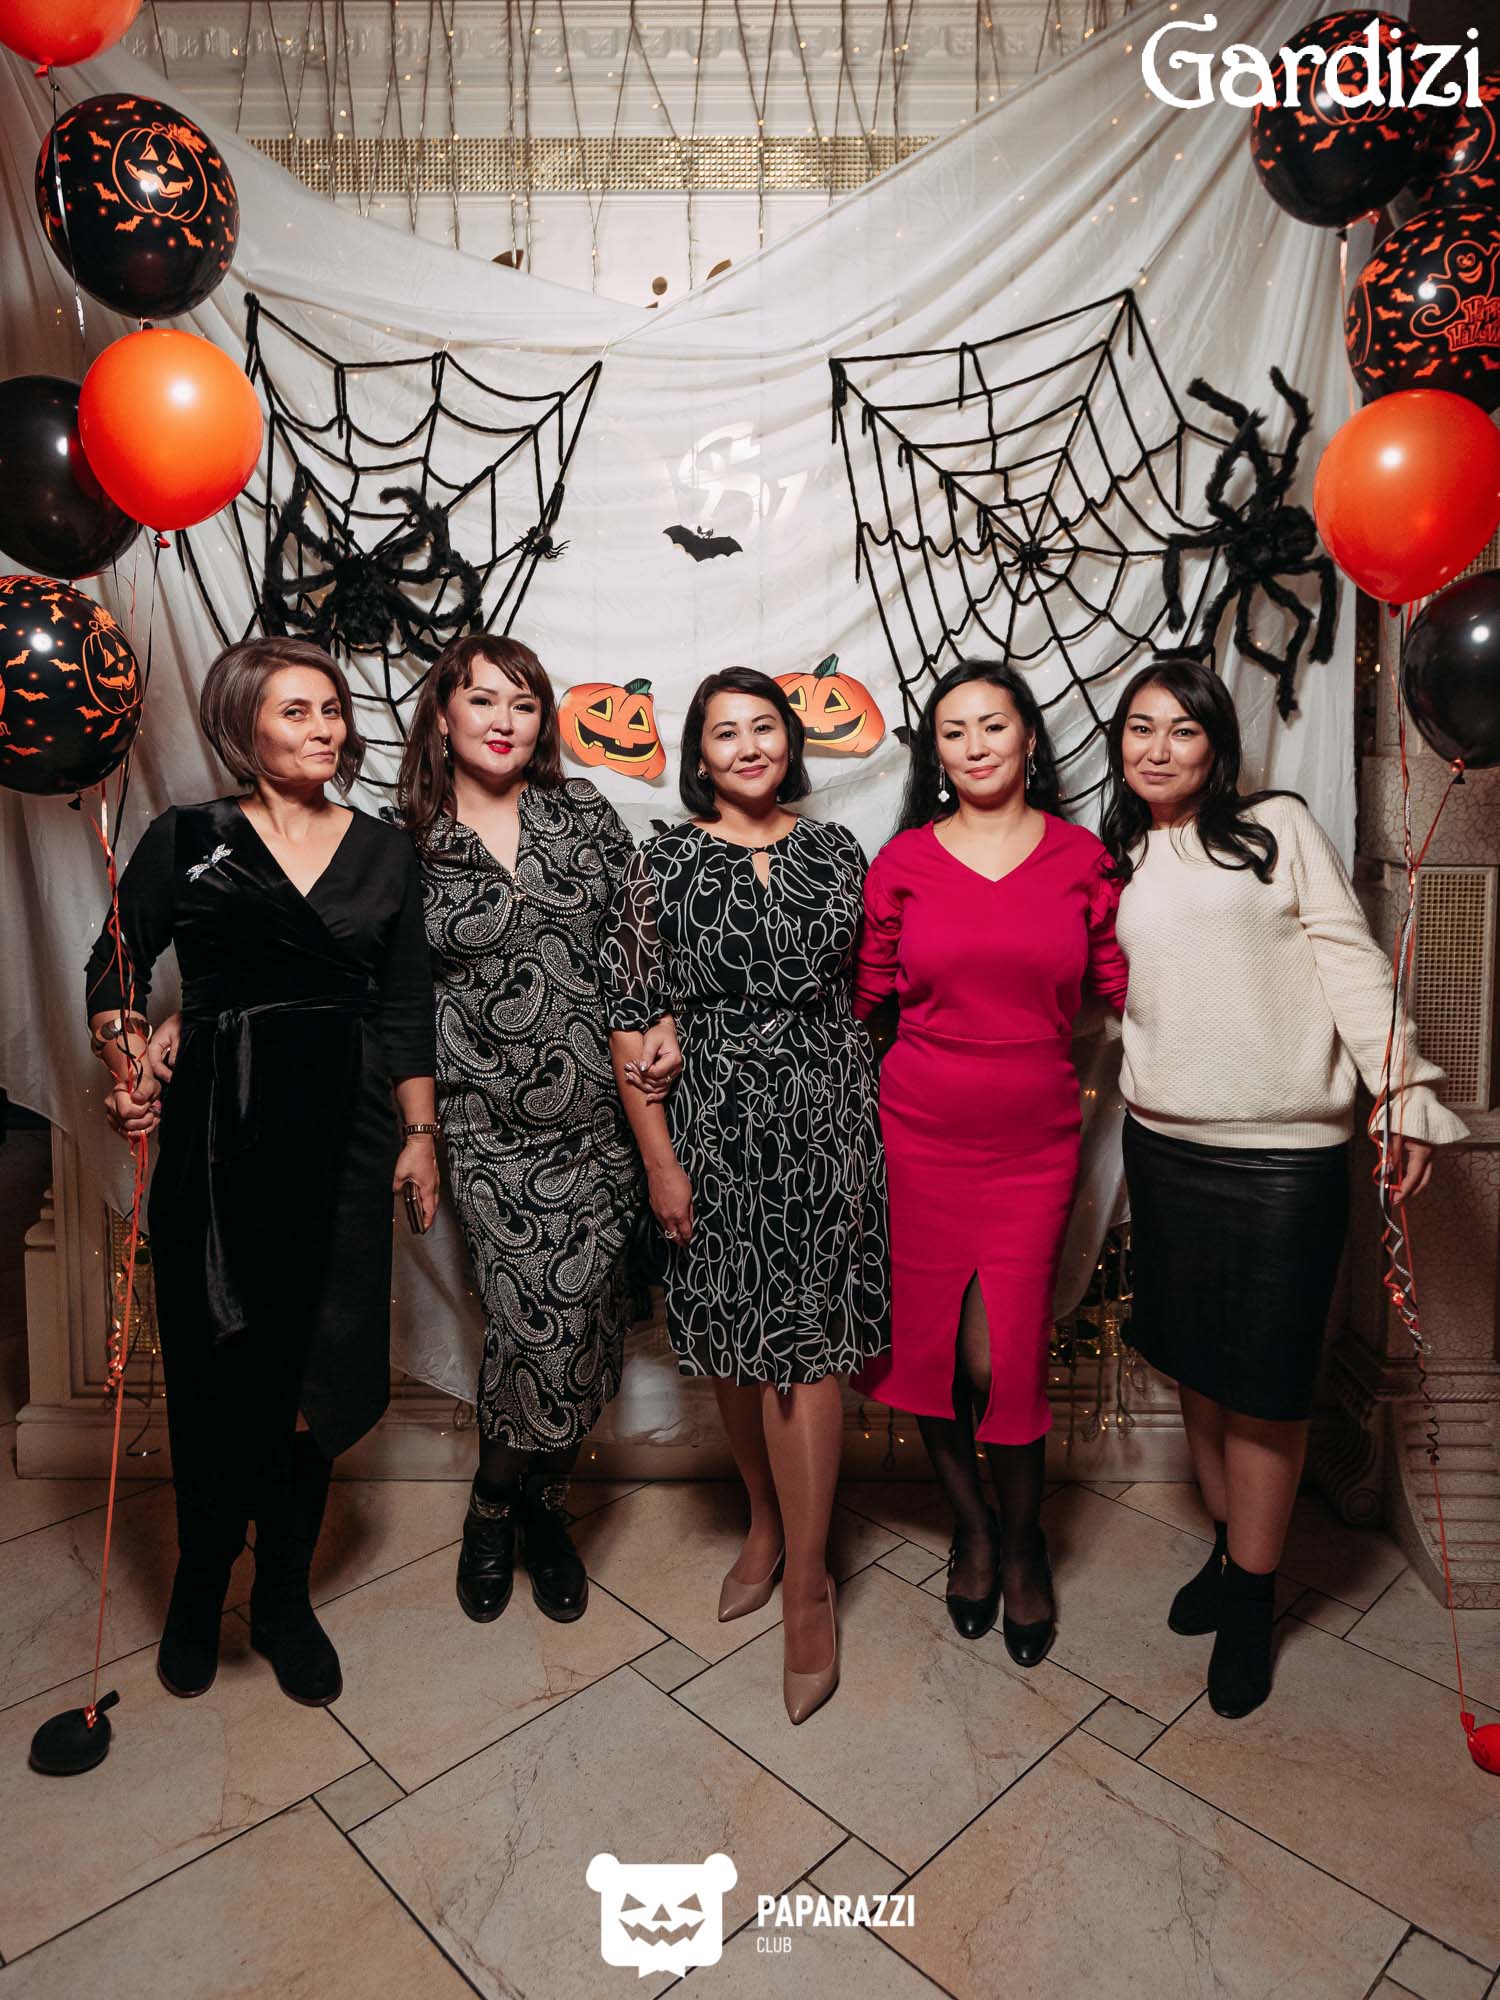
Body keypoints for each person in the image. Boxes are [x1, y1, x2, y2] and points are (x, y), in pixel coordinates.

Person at [1101, 653, 1467, 1718]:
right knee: (1196, 1366)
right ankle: (1230, 1552)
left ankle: (1255, 1601)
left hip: (1282, 1158)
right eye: (1139, 727)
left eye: (1182, 728)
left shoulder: (1277, 828)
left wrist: (1403, 1088)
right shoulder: (1119, 855)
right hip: (1164, 1147)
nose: (1157, 747)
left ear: (1218, 745)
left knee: (1264, 1386)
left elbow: (1351, 962)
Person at [86, 637, 438, 1707]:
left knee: (314, 1375)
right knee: (218, 1367)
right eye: (296, 711)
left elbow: (404, 1004)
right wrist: (128, 1056)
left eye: (332, 708)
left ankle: (282, 1596)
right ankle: (199, 1584)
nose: (324, 728)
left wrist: (420, 1132)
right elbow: (114, 966)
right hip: (217, 1135)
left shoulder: (384, 849)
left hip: (346, 1139)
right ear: (243, 726)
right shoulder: (186, 836)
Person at [601, 666, 889, 1725]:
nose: (750, 745)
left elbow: (872, 987)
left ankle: (809, 1584)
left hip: (826, 1118)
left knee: (806, 1345)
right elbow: (631, 1012)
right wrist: (660, 1161)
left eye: (765, 726)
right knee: (730, 1335)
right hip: (712, 1122)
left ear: (790, 743)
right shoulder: (662, 860)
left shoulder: (837, 851)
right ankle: (764, 1520)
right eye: (725, 732)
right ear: (700, 755)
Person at [395, 634, 679, 1625]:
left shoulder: (584, 813)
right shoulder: (405, 842)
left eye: (523, 703)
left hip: (605, 1125)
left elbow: (639, 942)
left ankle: (544, 1503)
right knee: (535, 1325)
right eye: (483, 700)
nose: (504, 720)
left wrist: (664, 1018)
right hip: (487, 1134)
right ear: (444, 715)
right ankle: (493, 1505)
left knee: (589, 1322)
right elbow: (386, 993)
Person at [852, 660, 1128, 1666]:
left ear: (1029, 739)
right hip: (918, 1133)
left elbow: (1123, 986)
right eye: (954, 729)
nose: (974, 745)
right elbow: (864, 998)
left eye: (993, 724)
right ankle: (973, 1531)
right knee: (928, 1355)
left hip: (1034, 1143)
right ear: (935, 751)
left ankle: (1024, 1543)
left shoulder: (1081, 859)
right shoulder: (904, 862)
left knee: (1001, 1361)